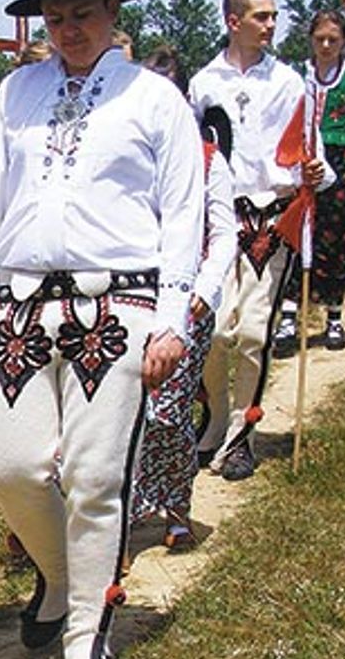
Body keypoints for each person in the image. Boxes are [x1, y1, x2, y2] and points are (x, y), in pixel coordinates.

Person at [0, 0, 204, 657]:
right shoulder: (17, 93)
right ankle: (59, 575)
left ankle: (85, 634)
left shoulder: (152, 98)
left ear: (112, 13)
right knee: (8, 467)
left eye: (82, 14)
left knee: (95, 476)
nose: (69, 28)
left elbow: (182, 212)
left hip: (122, 302)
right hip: (18, 305)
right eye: (55, 17)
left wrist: (172, 318)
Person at [190, 0, 317, 482]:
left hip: (274, 213)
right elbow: (195, 152)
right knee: (217, 329)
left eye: (273, 15)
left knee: (253, 331)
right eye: (260, 16)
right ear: (233, 21)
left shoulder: (288, 81)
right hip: (222, 217)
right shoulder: (203, 83)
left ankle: (243, 434)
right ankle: (216, 418)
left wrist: (313, 174)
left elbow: (306, 150)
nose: (271, 24)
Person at [132, 48, 236, 552]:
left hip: (188, 300)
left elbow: (223, 233)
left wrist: (204, 287)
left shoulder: (209, 161)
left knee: (169, 408)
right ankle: (125, 510)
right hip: (131, 296)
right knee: (127, 409)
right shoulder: (133, 156)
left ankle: (175, 504)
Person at [273, 10, 345, 354]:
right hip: (303, 158)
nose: (327, 45)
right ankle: (289, 314)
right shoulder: (299, 75)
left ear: (344, 40)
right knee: (298, 233)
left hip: (341, 160)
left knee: (334, 236)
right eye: (320, 39)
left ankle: (333, 312)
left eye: (334, 39)